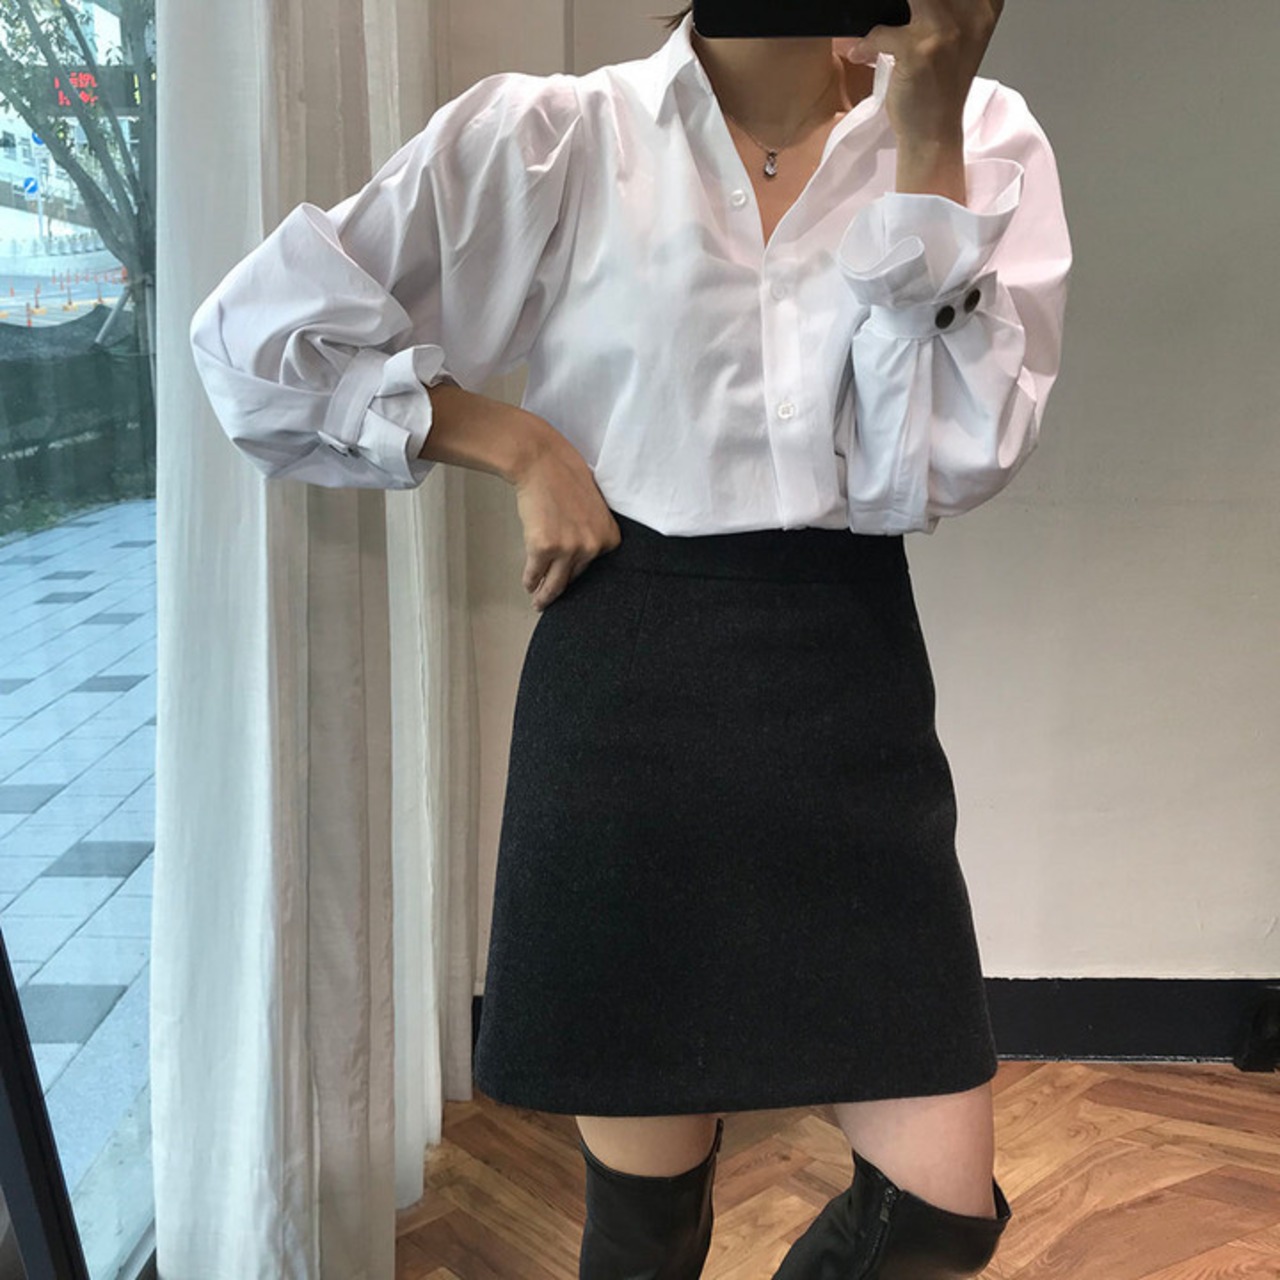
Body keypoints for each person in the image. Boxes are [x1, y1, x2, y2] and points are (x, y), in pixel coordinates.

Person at [190, 0, 1070, 1274]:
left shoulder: (983, 137)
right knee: (643, 1228)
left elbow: (929, 467)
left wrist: (925, 132)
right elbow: (253, 340)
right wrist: (515, 442)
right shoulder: (555, 137)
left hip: (846, 685)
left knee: (938, 1216)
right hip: (626, 692)